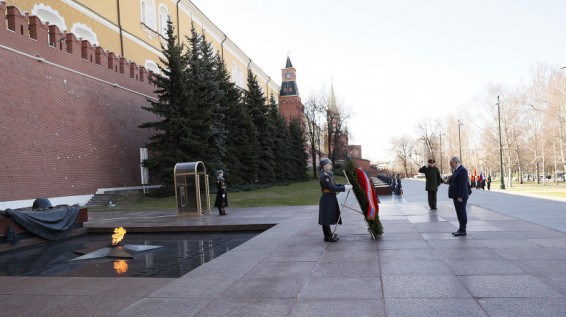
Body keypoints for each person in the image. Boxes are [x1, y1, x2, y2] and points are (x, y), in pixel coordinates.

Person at [318, 158, 352, 242]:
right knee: (326, 218)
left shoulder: (328, 174)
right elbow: (332, 188)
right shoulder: (325, 176)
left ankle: (329, 233)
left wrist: (345, 185)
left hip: (330, 197)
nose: (331, 165)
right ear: (325, 166)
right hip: (327, 198)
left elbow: (335, 185)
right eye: (329, 164)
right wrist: (344, 188)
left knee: (328, 216)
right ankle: (327, 236)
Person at [448, 156, 469, 236]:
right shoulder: (457, 170)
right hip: (456, 195)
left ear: (456, 162)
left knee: (461, 212)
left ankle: (463, 230)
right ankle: (461, 229)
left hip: (460, 196)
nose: (451, 165)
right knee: (459, 212)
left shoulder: (462, 170)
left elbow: (463, 185)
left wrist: (460, 196)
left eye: (451, 163)